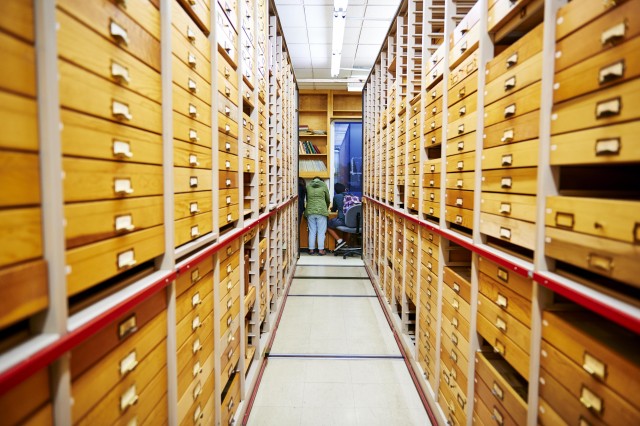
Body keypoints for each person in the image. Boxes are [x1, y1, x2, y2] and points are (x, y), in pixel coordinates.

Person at [305, 176, 330, 255]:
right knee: (321, 231)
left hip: (310, 210)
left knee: (312, 231)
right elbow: (328, 199)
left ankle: (311, 250)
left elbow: (308, 199)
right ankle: (321, 250)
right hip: (321, 211)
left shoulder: (308, 186)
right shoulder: (324, 185)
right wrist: (326, 206)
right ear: (321, 180)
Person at [327, 183, 348, 250]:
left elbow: (334, 209)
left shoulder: (337, 196)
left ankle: (340, 241)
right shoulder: (351, 195)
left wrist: (331, 208)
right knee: (347, 226)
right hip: (353, 221)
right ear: (344, 189)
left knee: (327, 224)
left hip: (342, 220)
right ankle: (345, 244)